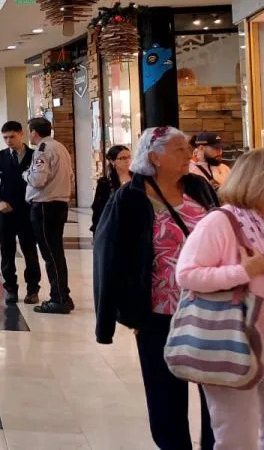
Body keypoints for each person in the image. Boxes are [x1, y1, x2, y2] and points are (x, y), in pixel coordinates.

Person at [93, 126, 217, 450]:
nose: (188, 154)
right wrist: (117, 317)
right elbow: (110, 258)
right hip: (159, 314)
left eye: (187, 148)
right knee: (165, 399)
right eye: (179, 149)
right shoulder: (130, 198)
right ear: (154, 158)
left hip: (209, 309)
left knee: (216, 395)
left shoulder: (198, 187)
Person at [176, 149, 264, 448]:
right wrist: (243, 271)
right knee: (237, 435)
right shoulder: (220, 222)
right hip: (233, 339)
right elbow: (187, 275)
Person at [0, 121, 41, 305]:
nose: (9, 141)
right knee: (7, 252)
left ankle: (33, 289)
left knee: (30, 251)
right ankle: (10, 288)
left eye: (12, 136)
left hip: (27, 212)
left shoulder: (34, 156)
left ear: (21, 134)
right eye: (5, 138)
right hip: (5, 212)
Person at [24, 117, 75, 314]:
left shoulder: (42, 149)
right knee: (56, 252)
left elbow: (38, 179)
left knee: (51, 254)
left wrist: (25, 175)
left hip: (45, 206)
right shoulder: (60, 147)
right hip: (59, 203)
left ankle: (59, 298)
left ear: (34, 132)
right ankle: (63, 295)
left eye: (29, 131)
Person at [91, 145, 131, 232]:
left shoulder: (137, 179)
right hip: (112, 226)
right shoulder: (105, 183)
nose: (127, 160)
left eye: (129, 157)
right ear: (112, 161)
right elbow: (98, 208)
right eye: (123, 158)